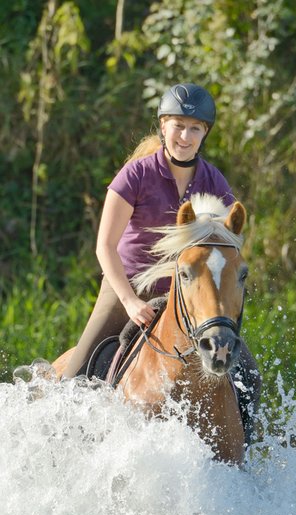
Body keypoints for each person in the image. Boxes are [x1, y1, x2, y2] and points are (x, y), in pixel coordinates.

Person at [63, 83, 235, 378]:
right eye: (178, 125)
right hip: (129, 286)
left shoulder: (214, 181)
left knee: (250, 376)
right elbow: (104, 246)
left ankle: (253, 426)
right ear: (163, 125)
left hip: (187, 294)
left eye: (195, 128)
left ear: (205, 133)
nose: (185, 136)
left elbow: (228, 247)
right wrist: (130, 302)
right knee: (74, 377)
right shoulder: (135, 175)